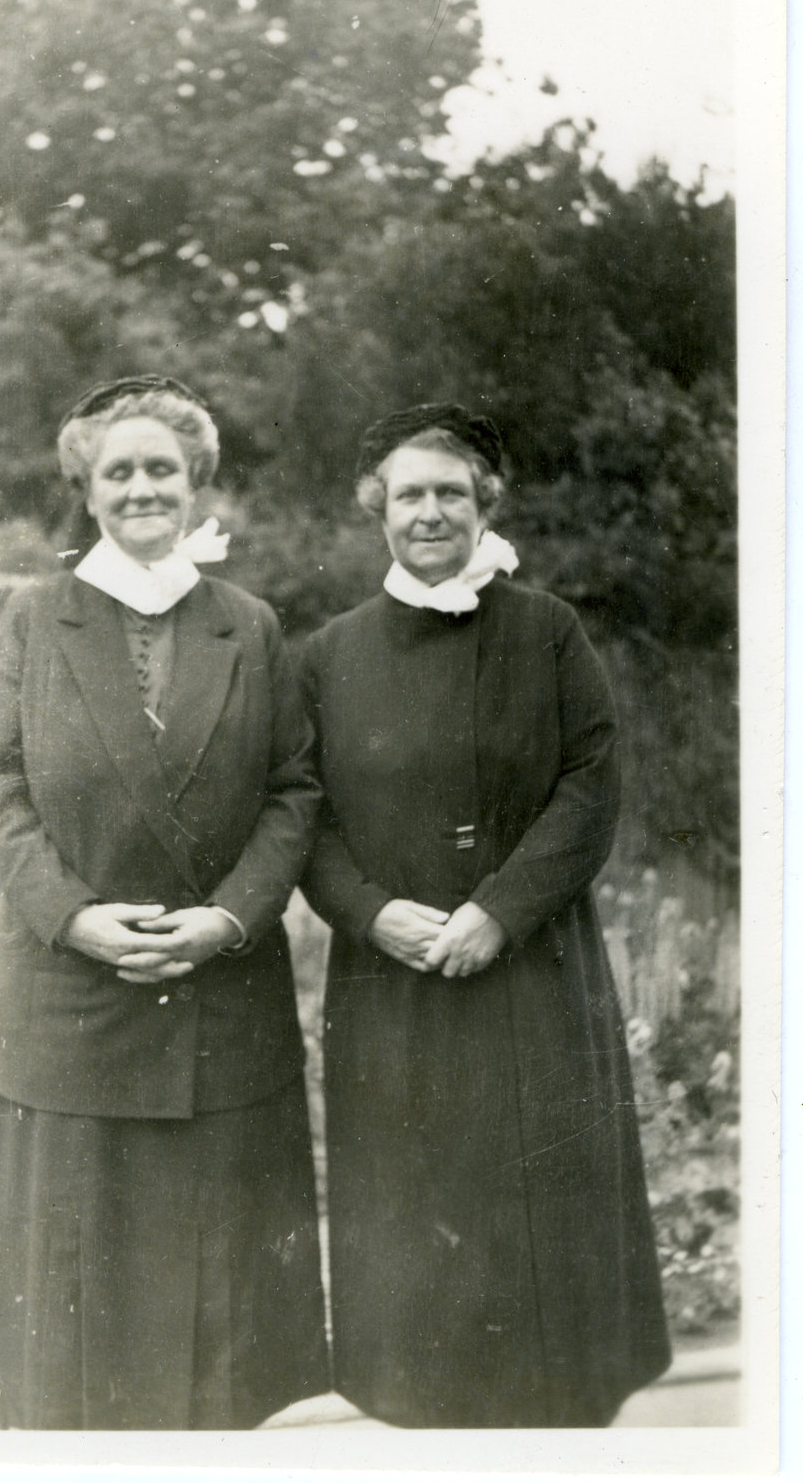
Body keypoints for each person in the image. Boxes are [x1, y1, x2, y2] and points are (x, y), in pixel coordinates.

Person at [0, 375, 327, 1430]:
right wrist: (73, 917)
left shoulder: (248, 626)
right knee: (68, 1341)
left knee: (212, 1350)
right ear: (87, 489)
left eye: (161, 467)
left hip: (218, 1006)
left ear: (196, 482)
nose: (141, 487)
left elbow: (294, 790)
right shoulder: (35, 618)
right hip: (69, 1008)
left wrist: (230, 918)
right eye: (117, 470)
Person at [301, 403, 671, 1429]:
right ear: (377, 508)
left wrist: (497, 913)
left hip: (532, 981)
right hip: (394, 995)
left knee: (544, 1254)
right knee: (420, 1285)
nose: (430, 513)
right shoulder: (329, 656)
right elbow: (306, 819)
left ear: (483, 506)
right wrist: (374, 917)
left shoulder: (548, 632)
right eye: (410, 494)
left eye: (450, 494)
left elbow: (590, 786)